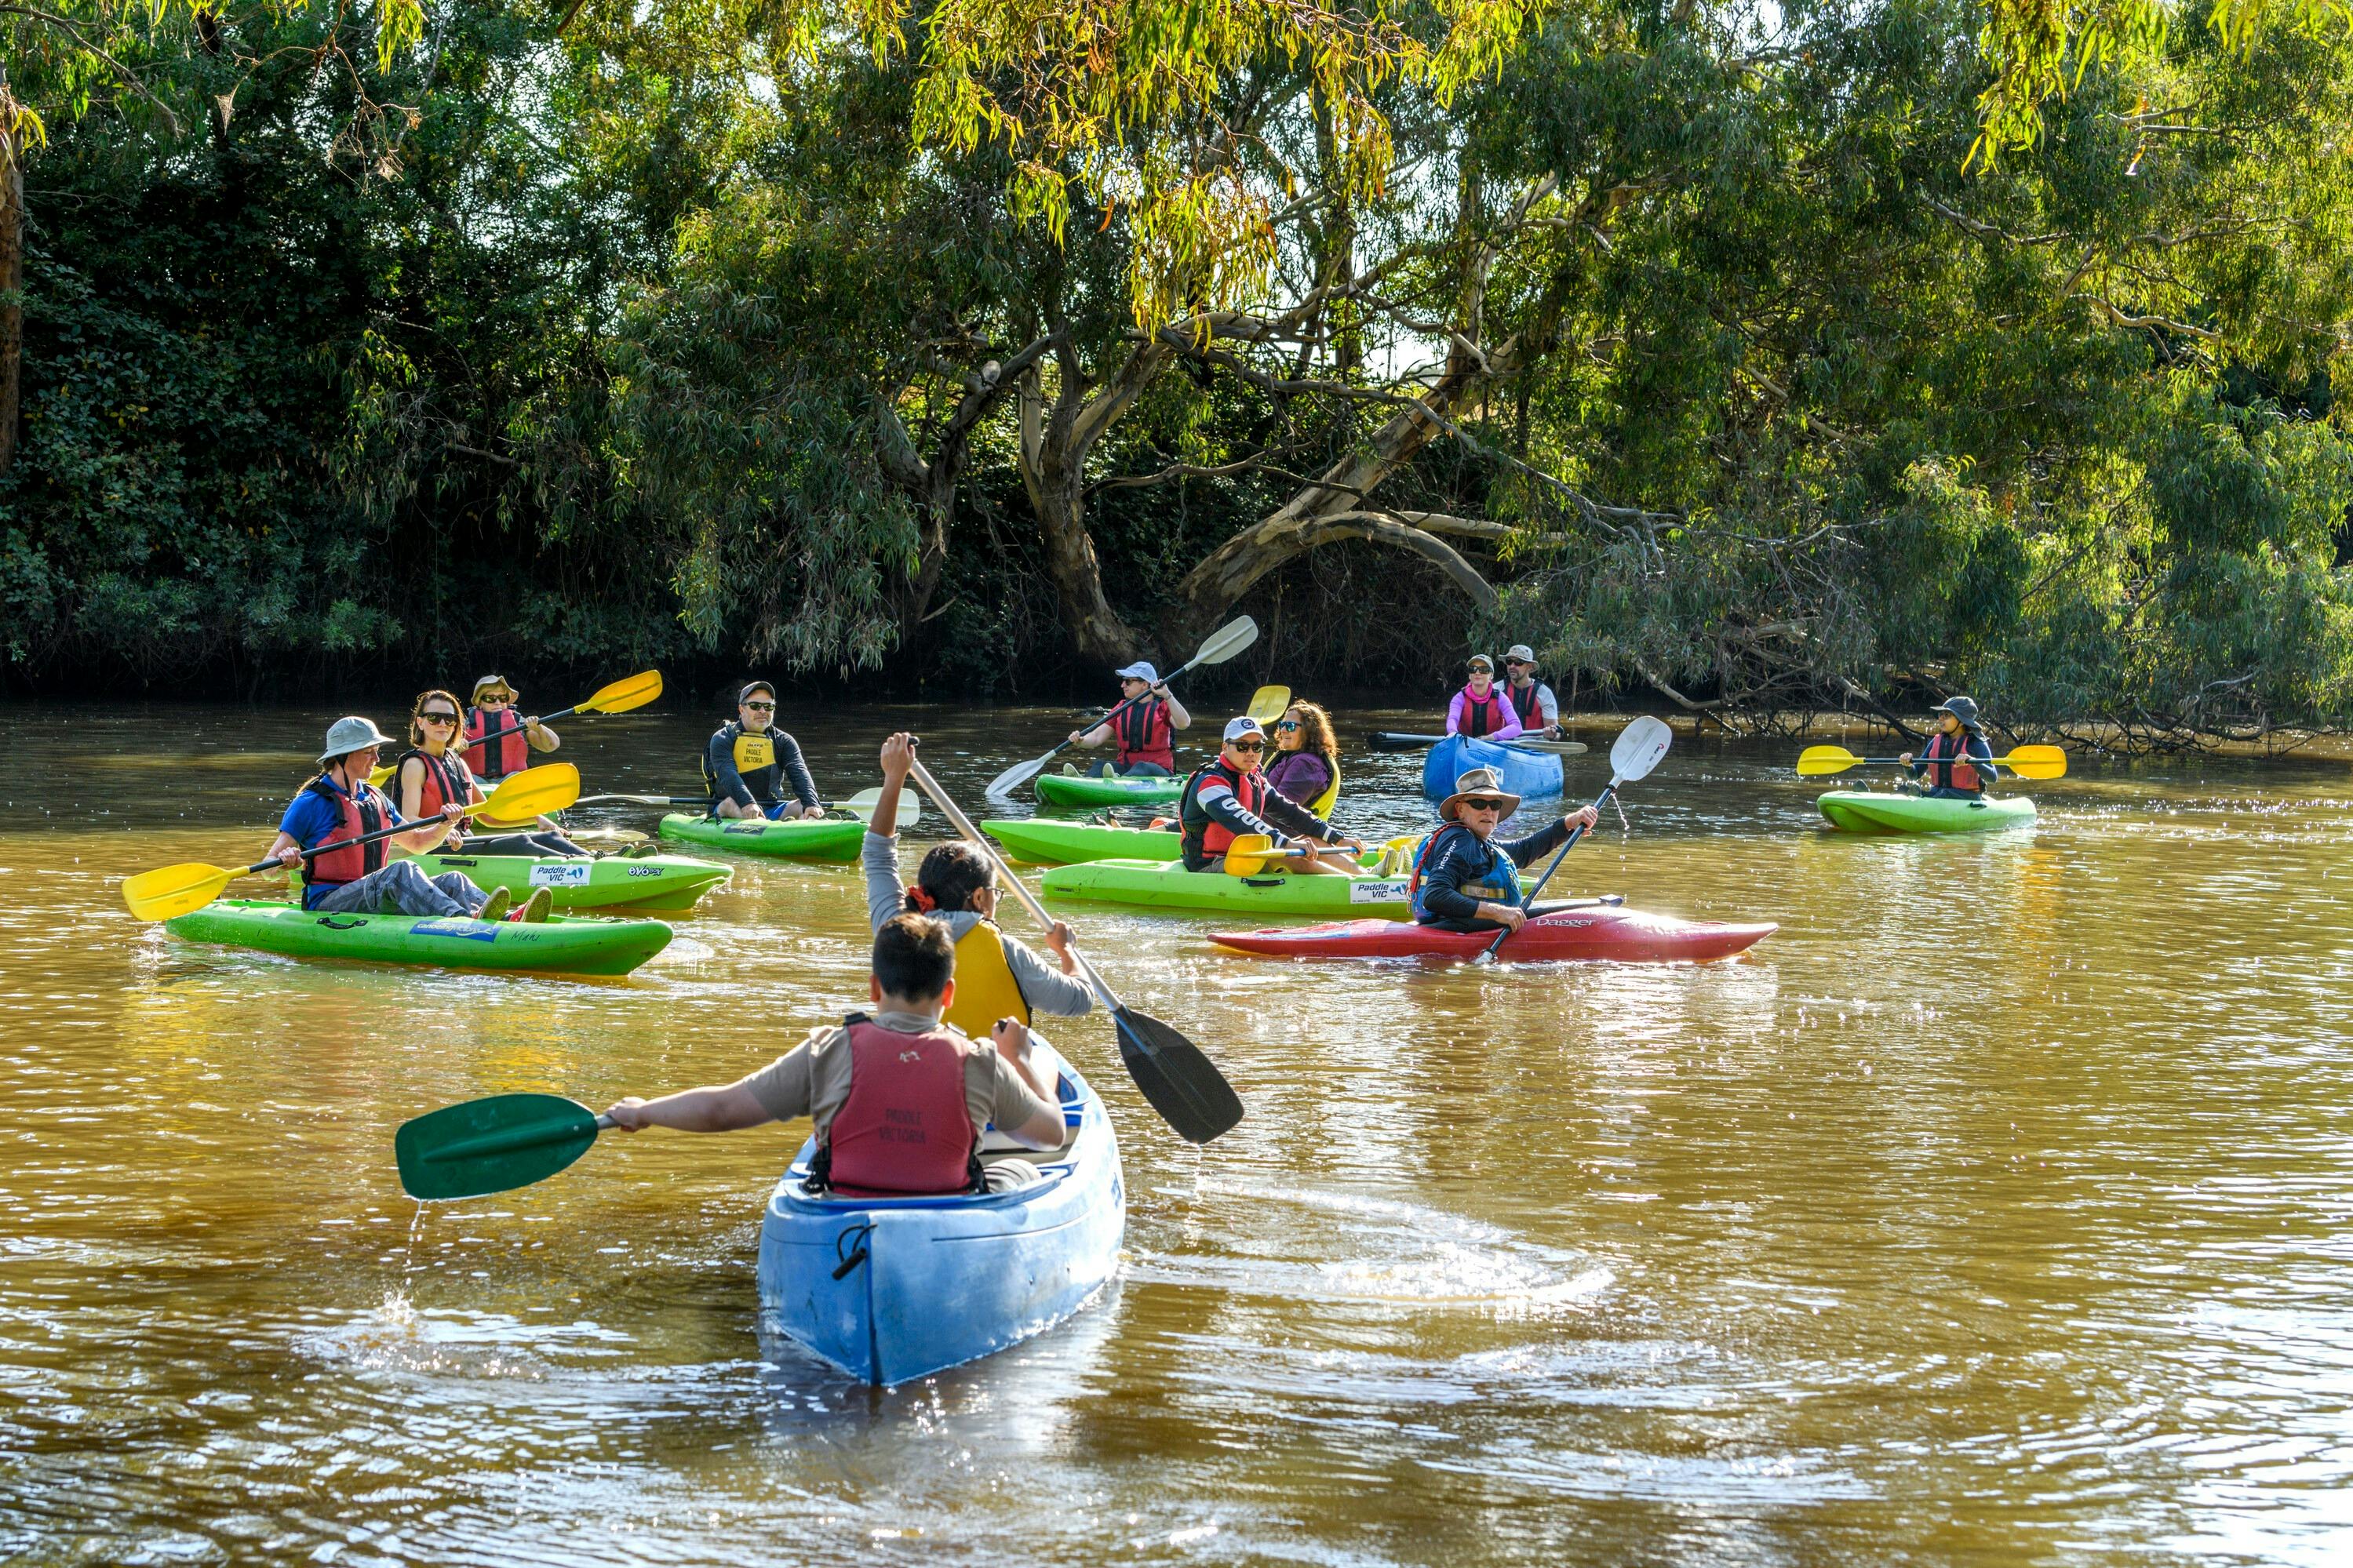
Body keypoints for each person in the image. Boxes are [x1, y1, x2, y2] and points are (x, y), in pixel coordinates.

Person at [601, 915, 1069, 1194]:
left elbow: (722, 1109)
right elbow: (1050, 1136)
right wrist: (1024, 1061)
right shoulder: (982, 1062)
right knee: (1023, 1169)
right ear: (948, 994)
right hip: (945, 1217)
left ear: (873, 988)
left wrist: (645, 1112)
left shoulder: (828, 1050)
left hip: (845, 1217)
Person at [862, 733, 1094, 1045]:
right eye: (995, 894)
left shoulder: (894, 927)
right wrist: (1065, 950)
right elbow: (1079, 1000)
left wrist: (894, 777)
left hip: (914, 1068)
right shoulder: (1009, 953)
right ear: (980, 898)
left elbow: (878, 853)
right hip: (990, 1082)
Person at [265, 717, 548, 922]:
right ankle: (465, 922)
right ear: (343, 756)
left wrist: (444, 825)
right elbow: (268, 870)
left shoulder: (374, 798)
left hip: (374, 892)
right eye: (369, 751)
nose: (377, 758)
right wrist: (288, 859)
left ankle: (510, 918)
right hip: (329, 902)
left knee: (454, 879)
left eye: (376, 750)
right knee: (401, 871)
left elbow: (417, 843)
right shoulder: (311, 802)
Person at [392, 689, 586, 858]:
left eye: (449, 719)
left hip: (463, 841)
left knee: (547, 837)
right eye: (434, 718)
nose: (443, 723)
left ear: (455, 724)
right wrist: (439, 831)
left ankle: (598, 859)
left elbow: (487, 816)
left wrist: (535, 819)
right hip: (434, 846)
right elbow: (409, 820)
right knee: (519, 843)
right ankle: (580, 867)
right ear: (421, 722)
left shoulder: (458, 762)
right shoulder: (415, 765)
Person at [1409, 766, 1601, 933]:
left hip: (1466, 925)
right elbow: (1435, 896)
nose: (1488, 811)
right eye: (1478, 803)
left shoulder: (1479, 843)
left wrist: (1569, 823)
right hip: (1452, 927)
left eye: (1495, 804)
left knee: (1589, 905)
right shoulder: (1461, 840)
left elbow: (1524, 851)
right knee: (1599, 907)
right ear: (1460, 810)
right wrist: (1499, 912)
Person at [1178, 717, 1363, 874]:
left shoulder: (1255, 780)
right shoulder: (1210, 783)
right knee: (1288, 854)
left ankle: (1365, 876)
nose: (1251, 753)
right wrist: (1286, 844)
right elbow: (1241, 821)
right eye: (1242, 746)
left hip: (1247, 855)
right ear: (1225, 747)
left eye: (1257, 747)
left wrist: (1337, 838)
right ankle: (1354, 886)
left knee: (1313, 841)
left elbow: (1291, 812)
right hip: (1209, 864)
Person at [704, 682, 825, 820]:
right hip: (729, 806)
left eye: (768, 706)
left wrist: (812, 803)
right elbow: (728, 774)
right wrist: (747, 803)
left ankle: (810, 828)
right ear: (741, 710)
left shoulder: (784, 741)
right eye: (755, 706)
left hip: (771, 808)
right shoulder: (723, 738)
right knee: (731, 803)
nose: (762, 711)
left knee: (802, 805)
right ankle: (761, 826)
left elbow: (799, 772)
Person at [1065, 661, 1191, 776]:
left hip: (1158, 771)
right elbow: (1096, 737)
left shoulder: (1163, 706)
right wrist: (1080, 740)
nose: (1122, 685)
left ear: (1144, 684)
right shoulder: (1122, 707)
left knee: (1141, 768)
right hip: (1127, 767)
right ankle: (1085, 781)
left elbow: (1184, 723)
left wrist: (1167, 695)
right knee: (1099, 766)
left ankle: (1115, 783)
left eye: (1128, 681)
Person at [463, 675, 561, 784]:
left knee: (514, 776)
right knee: (469, 779)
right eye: (490, 698)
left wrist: (539, 728)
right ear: (479, 702)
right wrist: (457, 745)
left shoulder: (519, 722)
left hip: (511, 783)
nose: (497, 702)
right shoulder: (464, 726)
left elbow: (551, 746)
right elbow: (445, 750)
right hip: (477, 784)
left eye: (503, 698)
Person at [1900, 697, 2001, 799]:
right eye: (1941, 715)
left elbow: (1993, 777)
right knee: (1903, 790)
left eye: (1947, 715)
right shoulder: (1935, 742)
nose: (1940, 718)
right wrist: (1908, 765)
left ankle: (1924, 800)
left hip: (1967, 797)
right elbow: (1915, 774)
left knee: (1945, 793)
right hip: (1938, 795)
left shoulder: (1976, 743)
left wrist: (1973, 762)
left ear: (1961, 721)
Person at [1264, 700, 1342, 815]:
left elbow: (1279, 810)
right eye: (1282, 725)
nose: (1283, 730)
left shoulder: (1306, 765)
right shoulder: (1290, 756)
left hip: (1284, 832)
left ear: (1309, 731)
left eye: (1290, 726)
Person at [1445, 654, 1523, 741]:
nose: (1477, 673)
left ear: (1491, 675)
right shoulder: (1459, 698)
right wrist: (1452, 732)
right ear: (1469, 675)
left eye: (1483, 670)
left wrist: (1493, 737)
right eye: (1473, 669)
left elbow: (1517, 726)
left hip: (1494, 746)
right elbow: (1453, 718)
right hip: (1464, 745)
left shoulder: (1501, 698)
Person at [1500, 645, 1562, 739]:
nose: (1512, 666)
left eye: (1518, 662)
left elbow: (1556, 732)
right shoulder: (1497, 689)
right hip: (1503, 745)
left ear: (1529, 667)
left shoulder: (1544, 693)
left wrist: (1552, 734)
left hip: (1535, 746)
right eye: (1509, 662)